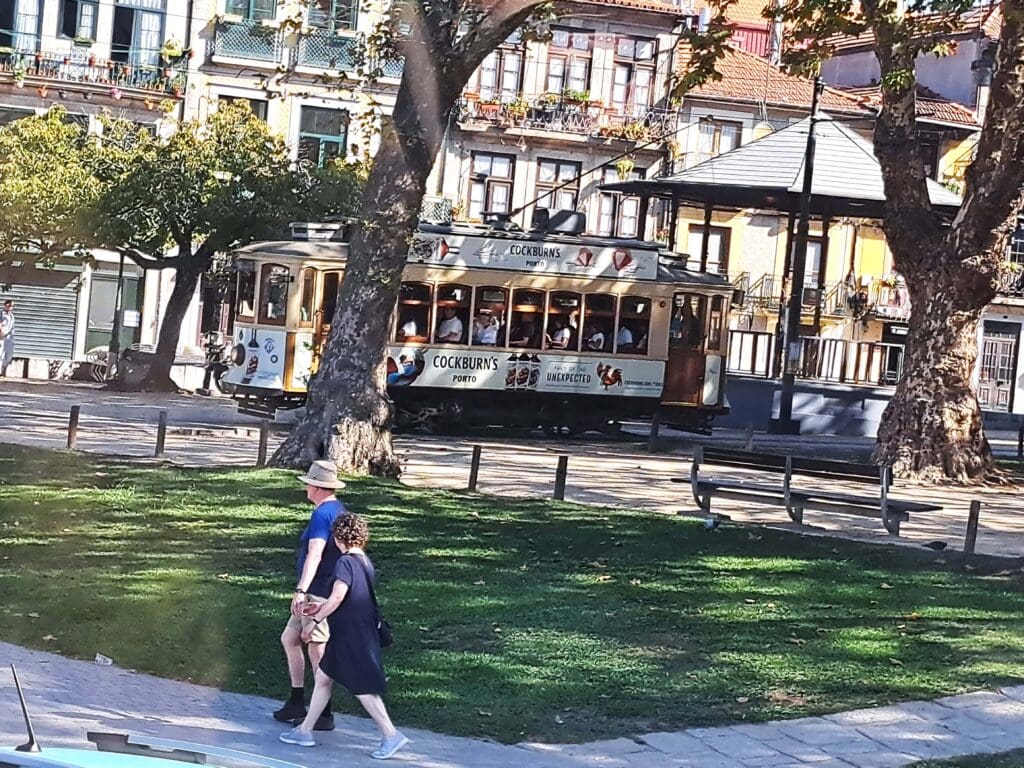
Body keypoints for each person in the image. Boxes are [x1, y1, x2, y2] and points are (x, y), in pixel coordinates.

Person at [280, 514, 409, 760]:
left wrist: (313, 622)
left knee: (362, 687)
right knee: (324, 678)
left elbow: (339, 597)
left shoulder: (345, 562)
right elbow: (345, 598)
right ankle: (305, 731)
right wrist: (318, 608)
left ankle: (391, 735)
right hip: (355, 632)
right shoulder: (364, 562)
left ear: (339, 538)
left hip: (351, 636)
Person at [273, 460, 349, 732]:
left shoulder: (322, 515)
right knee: (290, 639)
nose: (305, 486)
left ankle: (323, 714)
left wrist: (301, 591)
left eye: (308, 483)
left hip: (317, 593)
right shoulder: (338, 510)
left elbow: (315, 554)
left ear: (317, 487)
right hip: (317, 591)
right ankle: (296, 700)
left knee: (318, 652)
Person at [0, 300, 13, 377]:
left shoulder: (11, 316)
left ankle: (3, 367)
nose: (10, 307)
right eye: (9, 306)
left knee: (9, 354)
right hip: (1, 336)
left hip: (9, 338)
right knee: (0, 353)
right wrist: (1, 333)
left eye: (12, 306)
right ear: (5, 306)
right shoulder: (1, 314)